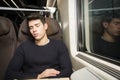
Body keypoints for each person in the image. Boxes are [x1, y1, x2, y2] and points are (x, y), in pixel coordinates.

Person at [5, 13, 73, 80]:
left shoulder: (59, 45)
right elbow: (10, 74)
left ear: (45, 26)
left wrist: (48, 78)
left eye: (37, 25)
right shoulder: (23, 47)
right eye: (31, 27)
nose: (34, 30)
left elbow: (68, 71)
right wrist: (39, 76)